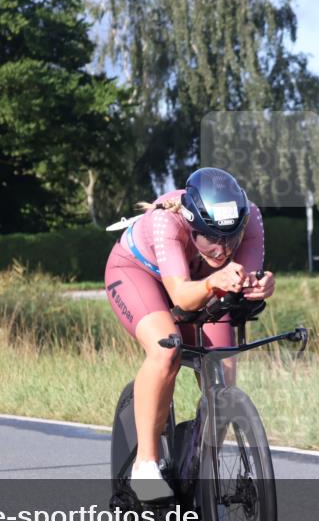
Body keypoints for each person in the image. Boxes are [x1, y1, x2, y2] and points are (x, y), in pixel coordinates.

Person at [104, 168, 275, 502]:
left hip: (201, 284)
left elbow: (245, 281)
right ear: (193, 225)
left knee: (223, 377)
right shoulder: (166, 221)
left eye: (232, 237)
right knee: (167, 349)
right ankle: (146, 464)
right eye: (212, 238)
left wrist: (261, 285)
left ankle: (197, 462)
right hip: (139, 275)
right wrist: (214, 281)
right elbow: (182, 296)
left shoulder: (251, 217)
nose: (223, 249)